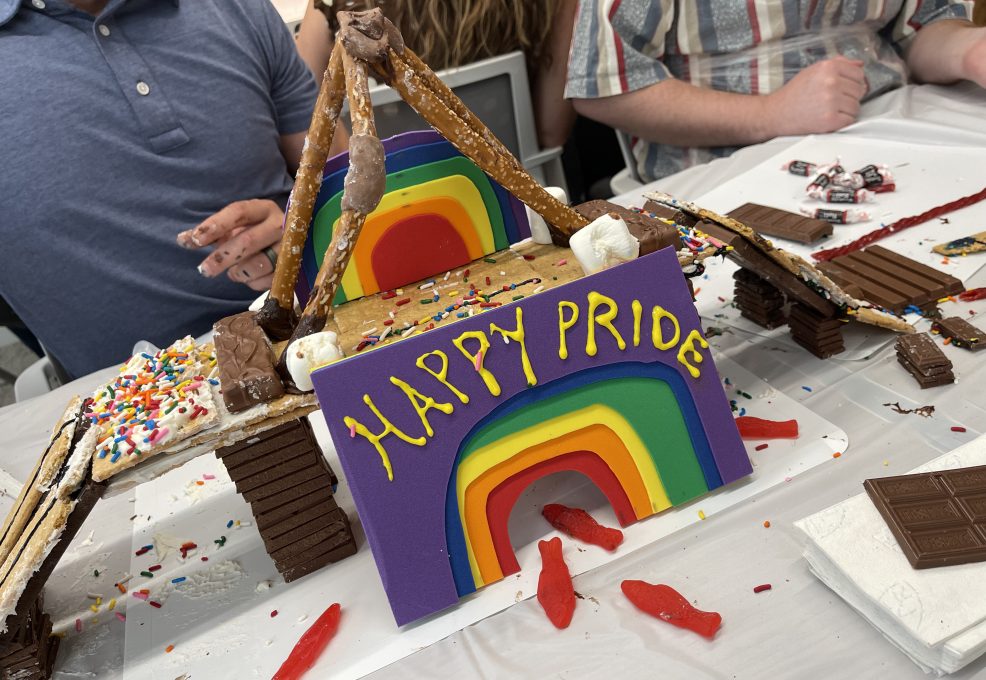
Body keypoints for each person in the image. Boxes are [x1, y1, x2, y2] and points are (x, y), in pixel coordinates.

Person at [0, 0, 318, 378]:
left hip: (322, 336)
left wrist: (305, 230)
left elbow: (348, 185)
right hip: (136, 413)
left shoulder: (236, 8)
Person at [566, 1, 986, 183]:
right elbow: (603, 88)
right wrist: (771, 114)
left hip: (888, 135)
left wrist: (968, 51)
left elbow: (921, 25)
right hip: (722, 169)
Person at [296, 0, 578, 150]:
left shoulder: (334, 4)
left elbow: (305, 117)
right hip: (512, 203)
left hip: (388, 207)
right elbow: (550, 132)